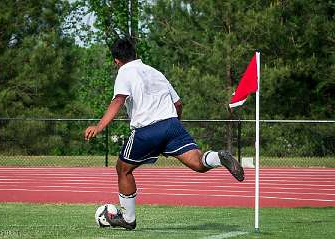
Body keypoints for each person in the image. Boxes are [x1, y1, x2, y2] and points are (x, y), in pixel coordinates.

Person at [84, 38, 244, 230]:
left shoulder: (124, 73)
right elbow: (178, 104)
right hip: (172, 124)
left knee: (123, 169)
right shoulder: (155, 72)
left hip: (147, 129)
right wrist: (173, 128)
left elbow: (119, 100)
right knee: (198, 163)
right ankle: (219, 157)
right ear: (135, 54)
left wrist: (99, 126)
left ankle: (128, 219)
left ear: (117, 61)